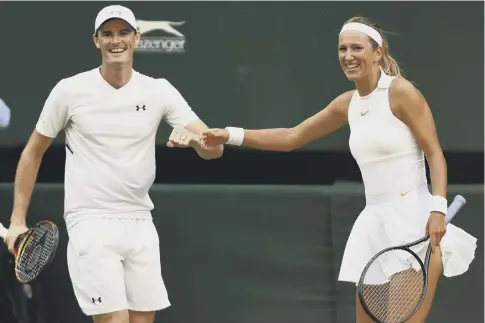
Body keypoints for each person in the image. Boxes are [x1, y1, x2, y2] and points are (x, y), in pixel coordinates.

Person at [200, 16, 477, 323]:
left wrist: (437, 209)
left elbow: (435, 155)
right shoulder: (347, 104)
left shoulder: (402, 94)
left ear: (377, 52)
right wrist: (230, 133)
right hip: (373, 226)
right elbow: (293, 137)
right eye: (342, 48)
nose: (348, 55)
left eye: (357, 47)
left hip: (414, 222)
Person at [5, 4, 223, 323]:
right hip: (89, 221)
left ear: (137, 38)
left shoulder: (159, 91)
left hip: (140, 221)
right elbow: (32, 152)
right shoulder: (69, 91)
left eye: (123, 33)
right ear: (97, 41)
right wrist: (17, 220)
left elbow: (213, 150)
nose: (115, 40)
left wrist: (194, 141)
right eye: (107, 34)